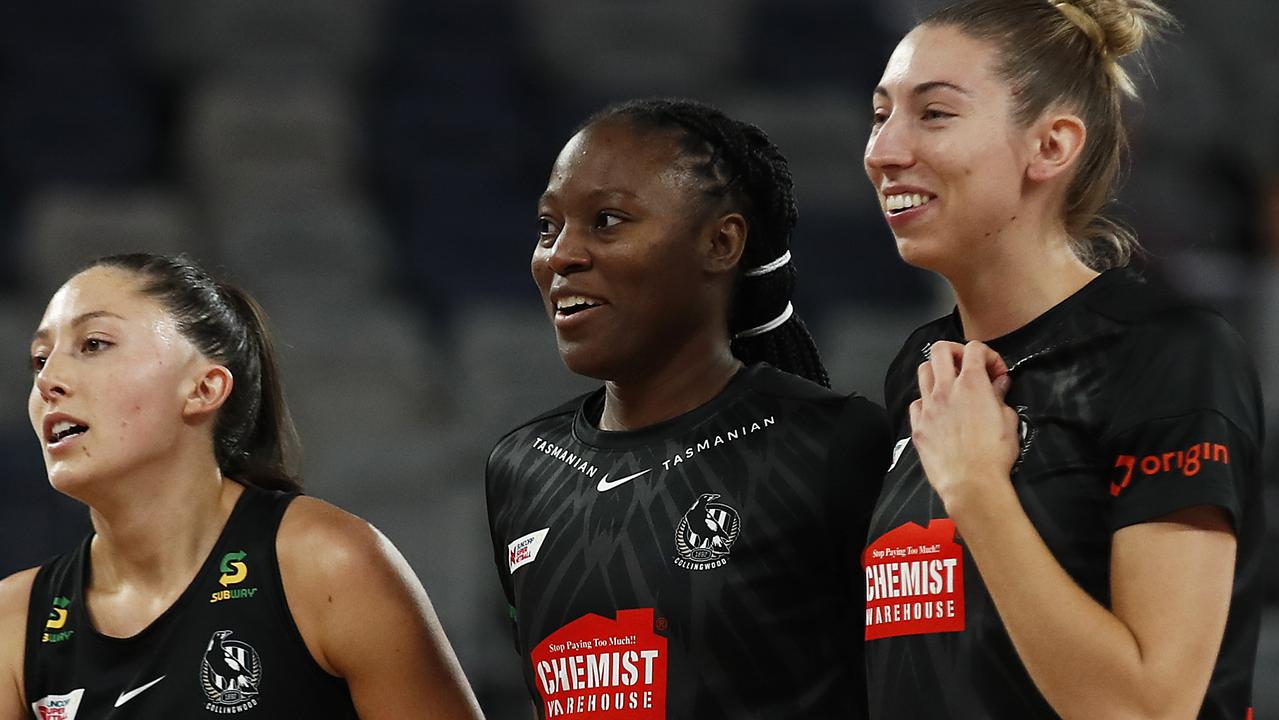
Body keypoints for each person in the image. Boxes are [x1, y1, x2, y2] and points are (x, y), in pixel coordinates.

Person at [861, 1, 1263, 718]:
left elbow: (1147, 707)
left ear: (1049, 148)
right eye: (879, 113)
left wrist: (978, 491)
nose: (884, 150)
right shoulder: (921, 365)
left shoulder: (1165, 353)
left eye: (934, 114)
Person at [486, 98, 891, 718]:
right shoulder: (520, 467)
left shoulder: (835, 444)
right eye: (548, 225)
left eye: (607, 220)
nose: (560, 256)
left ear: (721, 242)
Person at [0, 254, 484, 719]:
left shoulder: (327, 564)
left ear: (204, 388)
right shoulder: (14, 620)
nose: (49, 381)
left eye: (94, 344)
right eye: (40, 360)